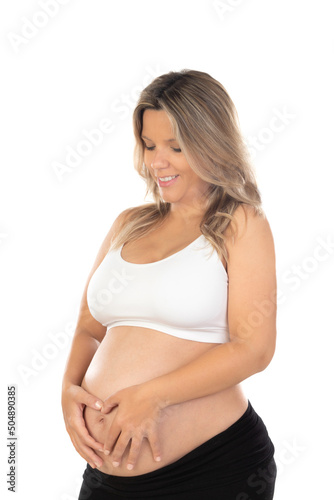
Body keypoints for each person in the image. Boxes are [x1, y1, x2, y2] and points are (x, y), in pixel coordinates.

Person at [61, 69, 277, 499]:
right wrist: (68, 390)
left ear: (210, 143)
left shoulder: (239, 224)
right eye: (149, 145)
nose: (157, 161)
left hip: (213, 470)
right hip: (105, 477)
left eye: (175, 147)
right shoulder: (128, 224)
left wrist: (153, 396)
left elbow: (255, 349)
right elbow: (89, 327)